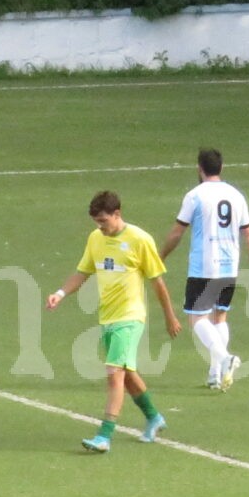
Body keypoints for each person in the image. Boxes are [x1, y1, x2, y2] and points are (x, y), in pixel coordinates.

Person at [46, 191, 182, 454]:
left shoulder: (140, 240)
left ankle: (104, 435)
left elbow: (157, 281)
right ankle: (154, 417)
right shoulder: (96, 239)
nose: (101, 227)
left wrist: (170, 315)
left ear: (117, 214)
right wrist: (60, 294)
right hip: (107, 317)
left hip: (130, 317)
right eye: (97, 222)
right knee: (127, 375)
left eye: (104, 221)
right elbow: (83, 272)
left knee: (113, 374)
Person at [159, 148, 249, 391]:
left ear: (200, 168)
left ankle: (225, 358)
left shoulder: (195, 196)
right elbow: (248, 233)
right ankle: (215, 374)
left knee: (196, 319)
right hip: (230, 265)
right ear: (221, 167)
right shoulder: (236, 195)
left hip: (204, 266)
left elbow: (178, 231)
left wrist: (161, 256)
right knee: (220, 316)